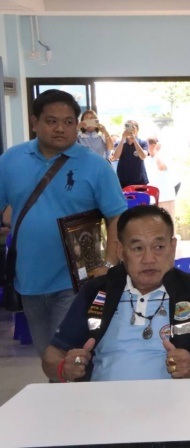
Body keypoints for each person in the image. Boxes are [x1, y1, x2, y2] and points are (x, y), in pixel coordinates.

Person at [41, 205, 190, 382]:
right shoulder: (96, 291)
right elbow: (51, 356)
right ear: (120, 251)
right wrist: (63, 369)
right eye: (137, 248)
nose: (149, 259)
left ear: (172, 247)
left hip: (179, 406)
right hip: (103, 407)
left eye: (159, 247)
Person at [0, 89, 127, 357]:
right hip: (29, 278)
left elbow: (117, 216)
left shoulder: (96, 166)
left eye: (68, 122)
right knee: (47, 356)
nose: (60, 128)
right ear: (35, 123)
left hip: (78, 281)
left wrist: (109, 265)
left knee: (69, 356)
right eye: (52, 121)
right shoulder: (11, 159)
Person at [144, 136, 177, 218]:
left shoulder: (165, 156)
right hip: (152, 197)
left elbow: (161, 167)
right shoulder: (146, 159)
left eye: (147, 144)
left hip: (166, 196)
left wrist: (156, 152)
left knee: (169, 220)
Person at [112, 119, 149, 188]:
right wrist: (123, 138)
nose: (130, 130)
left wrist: (134, 140)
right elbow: (115, 157)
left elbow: (143, 156)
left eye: (133, 128)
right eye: (128, 127)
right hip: (122, 180)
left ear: (137, 129)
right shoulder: (119, 143)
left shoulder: (143, 143)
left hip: (139, 180)